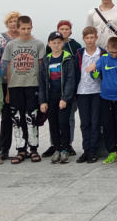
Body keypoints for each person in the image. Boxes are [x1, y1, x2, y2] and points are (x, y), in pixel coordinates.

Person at [1, 16, 46, 164]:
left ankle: (33, 149)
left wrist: (42, 90)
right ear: (18, 28)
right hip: (15, 86)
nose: (26, 31)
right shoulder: (11, 45)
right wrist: (8, 90)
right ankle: (21, 149)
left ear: (32, 27)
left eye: (28, 28)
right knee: (17, 118)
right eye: (23, 28)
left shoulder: (38, 44)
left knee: (31, 117)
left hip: (32, 84)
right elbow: (9, 67)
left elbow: (41, 67)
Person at [39, 31, 77, 164]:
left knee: (63, 122)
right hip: (51, 96)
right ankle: (57, 148)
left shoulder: (68, 58)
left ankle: (65, 149)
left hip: (63, 96)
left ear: (63, 43)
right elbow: (42, 81)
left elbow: (71, 79)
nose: (56, 45)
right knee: (53, 123)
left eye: (59, 42)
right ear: (49, 44)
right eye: (53, 43)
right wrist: (43, 101)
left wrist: (65, 98)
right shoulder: (46, 59)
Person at [93, 37, 117, 164]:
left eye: (116, 52)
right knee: (108, 126)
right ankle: (111, 152)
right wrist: (93, 70)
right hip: (106, 98)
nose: (114, 54)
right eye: (111, 52)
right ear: (107, 48)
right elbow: (96, 75)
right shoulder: (104, 58)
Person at [44, 19, 81, 156]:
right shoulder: (49, 51)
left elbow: (74, 71)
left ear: (70, 31)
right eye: (62, 29)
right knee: (53, 120)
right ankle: (55, 145)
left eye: (67, 29)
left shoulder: (75, 46)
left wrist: (70, 93)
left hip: (68, 91)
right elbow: (44, 74)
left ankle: (67, 144)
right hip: (52, 92)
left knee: (68, 119)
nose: (64, 31)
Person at [0, 11, 20, 160]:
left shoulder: (23, 38)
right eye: (11, 21)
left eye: (16, 21)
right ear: (7, 24)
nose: (13, 24)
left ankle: (23, 148)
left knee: (19, 116)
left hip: (20, 82)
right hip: (2, 82)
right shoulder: (1, 38)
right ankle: (3, 149)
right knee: (5, 117)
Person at [75, 27, 104, 164]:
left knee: (95, 121)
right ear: (83, 39)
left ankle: (93, 150)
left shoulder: (102, 54)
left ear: (96, 38)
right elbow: (75, 73)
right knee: (85, 123)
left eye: (92, 37)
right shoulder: (79, 53)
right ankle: (86, 150)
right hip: (82, 92)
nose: (90, 40)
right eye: (87, 38)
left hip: (98, 92)